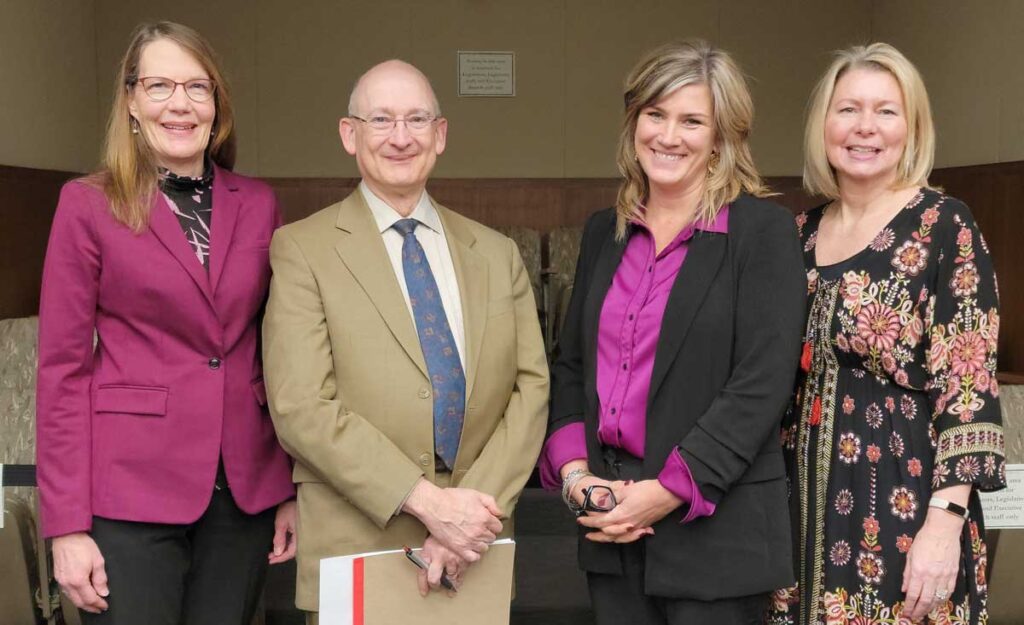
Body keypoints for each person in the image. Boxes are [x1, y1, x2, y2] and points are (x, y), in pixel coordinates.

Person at [261, 59, 549, 623]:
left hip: (477, 548)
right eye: (381, 119)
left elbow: (531, 389)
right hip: (358, 539)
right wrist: (431, 505)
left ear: (440, 135)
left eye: (417, 119)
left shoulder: (496, 253)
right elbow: (300, 406)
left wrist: (469, 520)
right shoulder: (303, 249)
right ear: (350, 134)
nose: (400, 137)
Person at [35, 21, 297, 624]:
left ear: (216, 105)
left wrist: (287, 487)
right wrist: (66, 526)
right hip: (128, 495)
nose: (179, 104)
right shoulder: (88, 204)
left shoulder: (258, 203)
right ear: (130, 100)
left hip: (243, 493)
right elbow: (62, 373)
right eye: (158, 86)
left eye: (196, 87)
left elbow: (274, 353)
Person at [539, 40, 805, 625]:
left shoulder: (763, 233)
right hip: (611, 530)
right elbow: (572, 367)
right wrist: (577, 477)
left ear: (722, 137)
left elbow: (761, 385)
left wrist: (668, 489)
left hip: (717, 536)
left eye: (692, 121)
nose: (668, 135)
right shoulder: (602, 234)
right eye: (655, 115)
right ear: (633, 122)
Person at [768, 43, 1007, 625]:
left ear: (912, 127)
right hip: (794, 508)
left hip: (904, 505)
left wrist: (944, 524)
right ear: (823, 124)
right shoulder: (795, 235)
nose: (864, 127)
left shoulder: (943, 226)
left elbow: (968, 383)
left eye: (886, 111)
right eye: (847, 109)